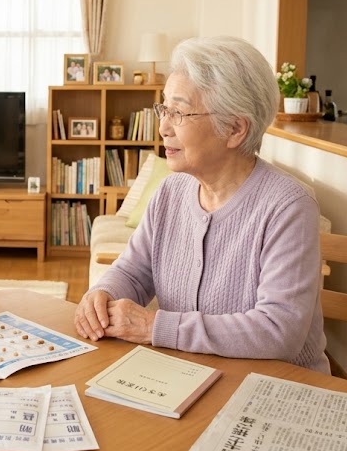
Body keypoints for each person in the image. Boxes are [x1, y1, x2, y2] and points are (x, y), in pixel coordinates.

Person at [74, 35, 328, 374]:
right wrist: (102, 293)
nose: (163, 126)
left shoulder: (288, 207)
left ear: (235, 128)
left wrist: (154, 327)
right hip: (185, 377)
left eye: (178, 112)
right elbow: (134, 271)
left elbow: (278, 331)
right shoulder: (169, 192)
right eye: (164, 108)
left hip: (274, 391)